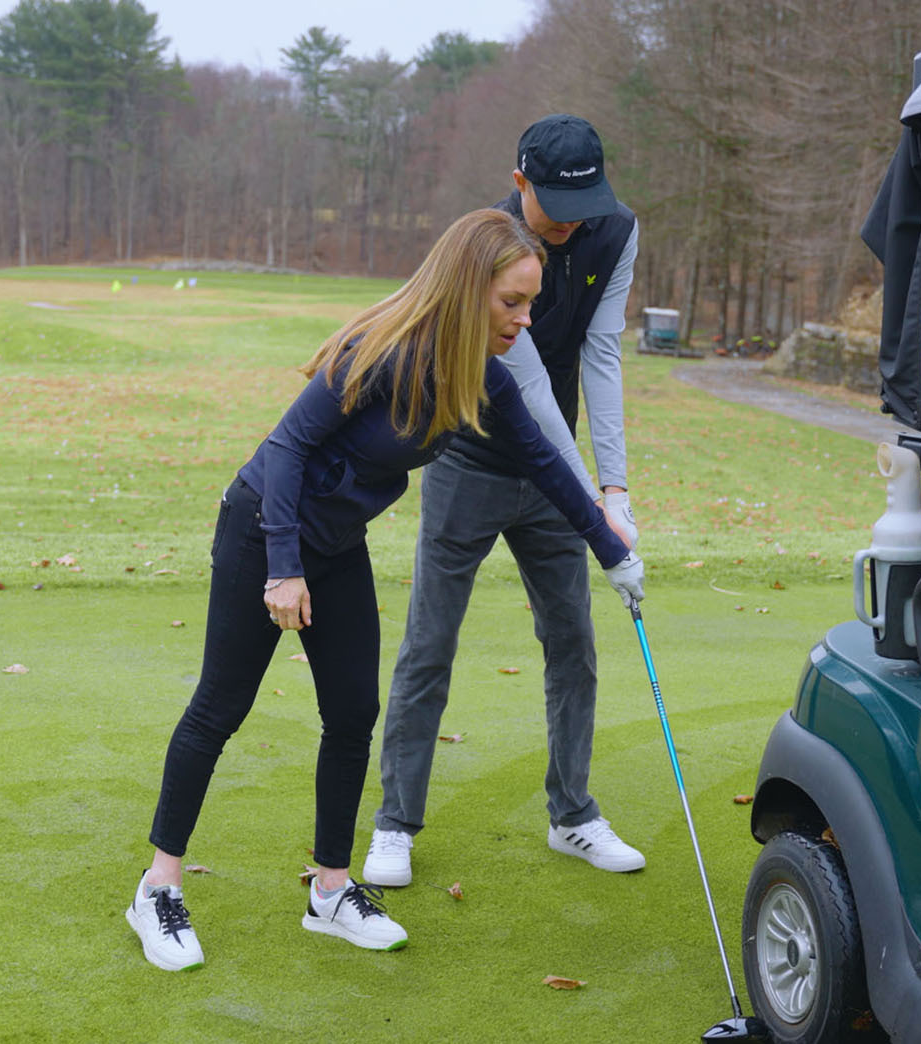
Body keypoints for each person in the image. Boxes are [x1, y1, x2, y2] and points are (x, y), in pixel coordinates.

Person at [126, 208, 645, 972]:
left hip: (336, 545)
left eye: (530, 304)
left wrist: (613, 552)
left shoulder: (483, 378)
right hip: (264, 527)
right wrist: (281, 566)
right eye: (512, 304)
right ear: (471, 291)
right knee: (220, 707)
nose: (525, 320)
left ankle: (331, 892)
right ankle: (158, 889)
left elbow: (542, 461)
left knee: (353, 713)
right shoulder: (384, 353)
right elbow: (287, 449)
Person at [365, 114, 644, 887]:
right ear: (519, 183)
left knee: (573, 643)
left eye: (581, 203)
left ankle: (574, 815)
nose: (569, 221)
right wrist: (597, 517)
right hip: (471, 457)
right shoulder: (487, 249)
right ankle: (395, 825)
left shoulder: (614, 232)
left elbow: (602, 355)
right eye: (552, 202)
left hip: (555, 479)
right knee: (431, 642)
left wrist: (615, 491)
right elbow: (525, 394)